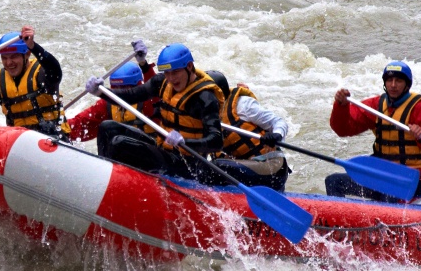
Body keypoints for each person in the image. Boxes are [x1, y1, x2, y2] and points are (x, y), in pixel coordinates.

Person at [85, 42, 224, 180]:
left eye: (175, 72)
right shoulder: (162, 82)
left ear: (189, 67)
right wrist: (101, 93)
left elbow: (216, 141)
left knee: (119, 143)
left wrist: (185, 142)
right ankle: (104, 178)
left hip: (187, 163)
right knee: (107, 128)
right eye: (167, 73)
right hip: (164, 150)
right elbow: (132, 95)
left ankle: (116, 181)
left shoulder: (205, 98)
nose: (171, 78)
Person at [327, 60, 421, 201]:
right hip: (382, 175)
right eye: (389, 80)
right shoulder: (375, 105)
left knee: (388, 195)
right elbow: (343, 130)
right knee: (333, 182)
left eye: (398, 81)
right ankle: (341, 221)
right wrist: (341, 106)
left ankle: (384, 219)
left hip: (410, 179)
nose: (393, 85)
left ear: (407, 84)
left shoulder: (418, 109)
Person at [209, 70, 292, 192]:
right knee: (205, 166)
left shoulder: (243, 105)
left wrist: (276, 135)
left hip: (271, 167)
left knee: (216, 167)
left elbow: (279, 122)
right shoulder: (206, 114)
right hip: (245, 167)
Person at [68, 41, 156, 146]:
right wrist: (57, 126)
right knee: (105, 128)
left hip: (149, 154)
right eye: (116, 88)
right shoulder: (107, 104)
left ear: (137, 85)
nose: (120, 92)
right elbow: (81, 124)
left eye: (124, 88)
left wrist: (144, 66)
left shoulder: (148, 102)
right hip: (120, 155)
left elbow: (156, 89)